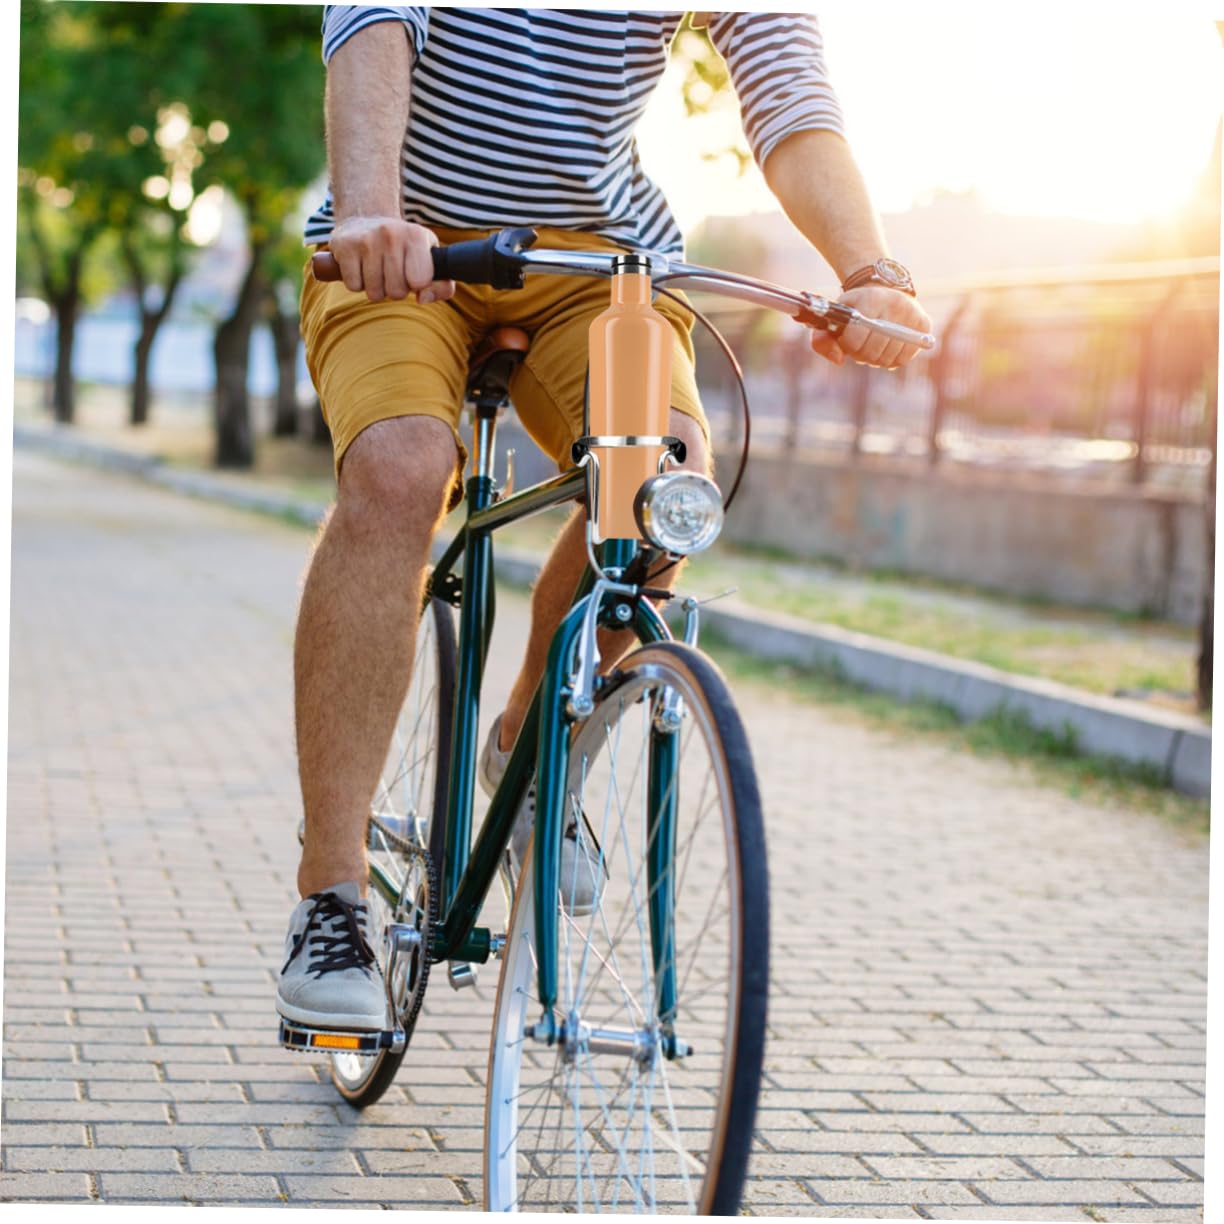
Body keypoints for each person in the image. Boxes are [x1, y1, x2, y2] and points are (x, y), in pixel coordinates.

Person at [276, 6, 932, 1035]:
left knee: (666, 495)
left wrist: (870, 269)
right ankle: (332, 894)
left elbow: (785, 81)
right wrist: (368, 208)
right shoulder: (385, 215)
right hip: (407, 241)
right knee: (402, 470)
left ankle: (529, 755)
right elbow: (373, 21)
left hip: (598, 260)